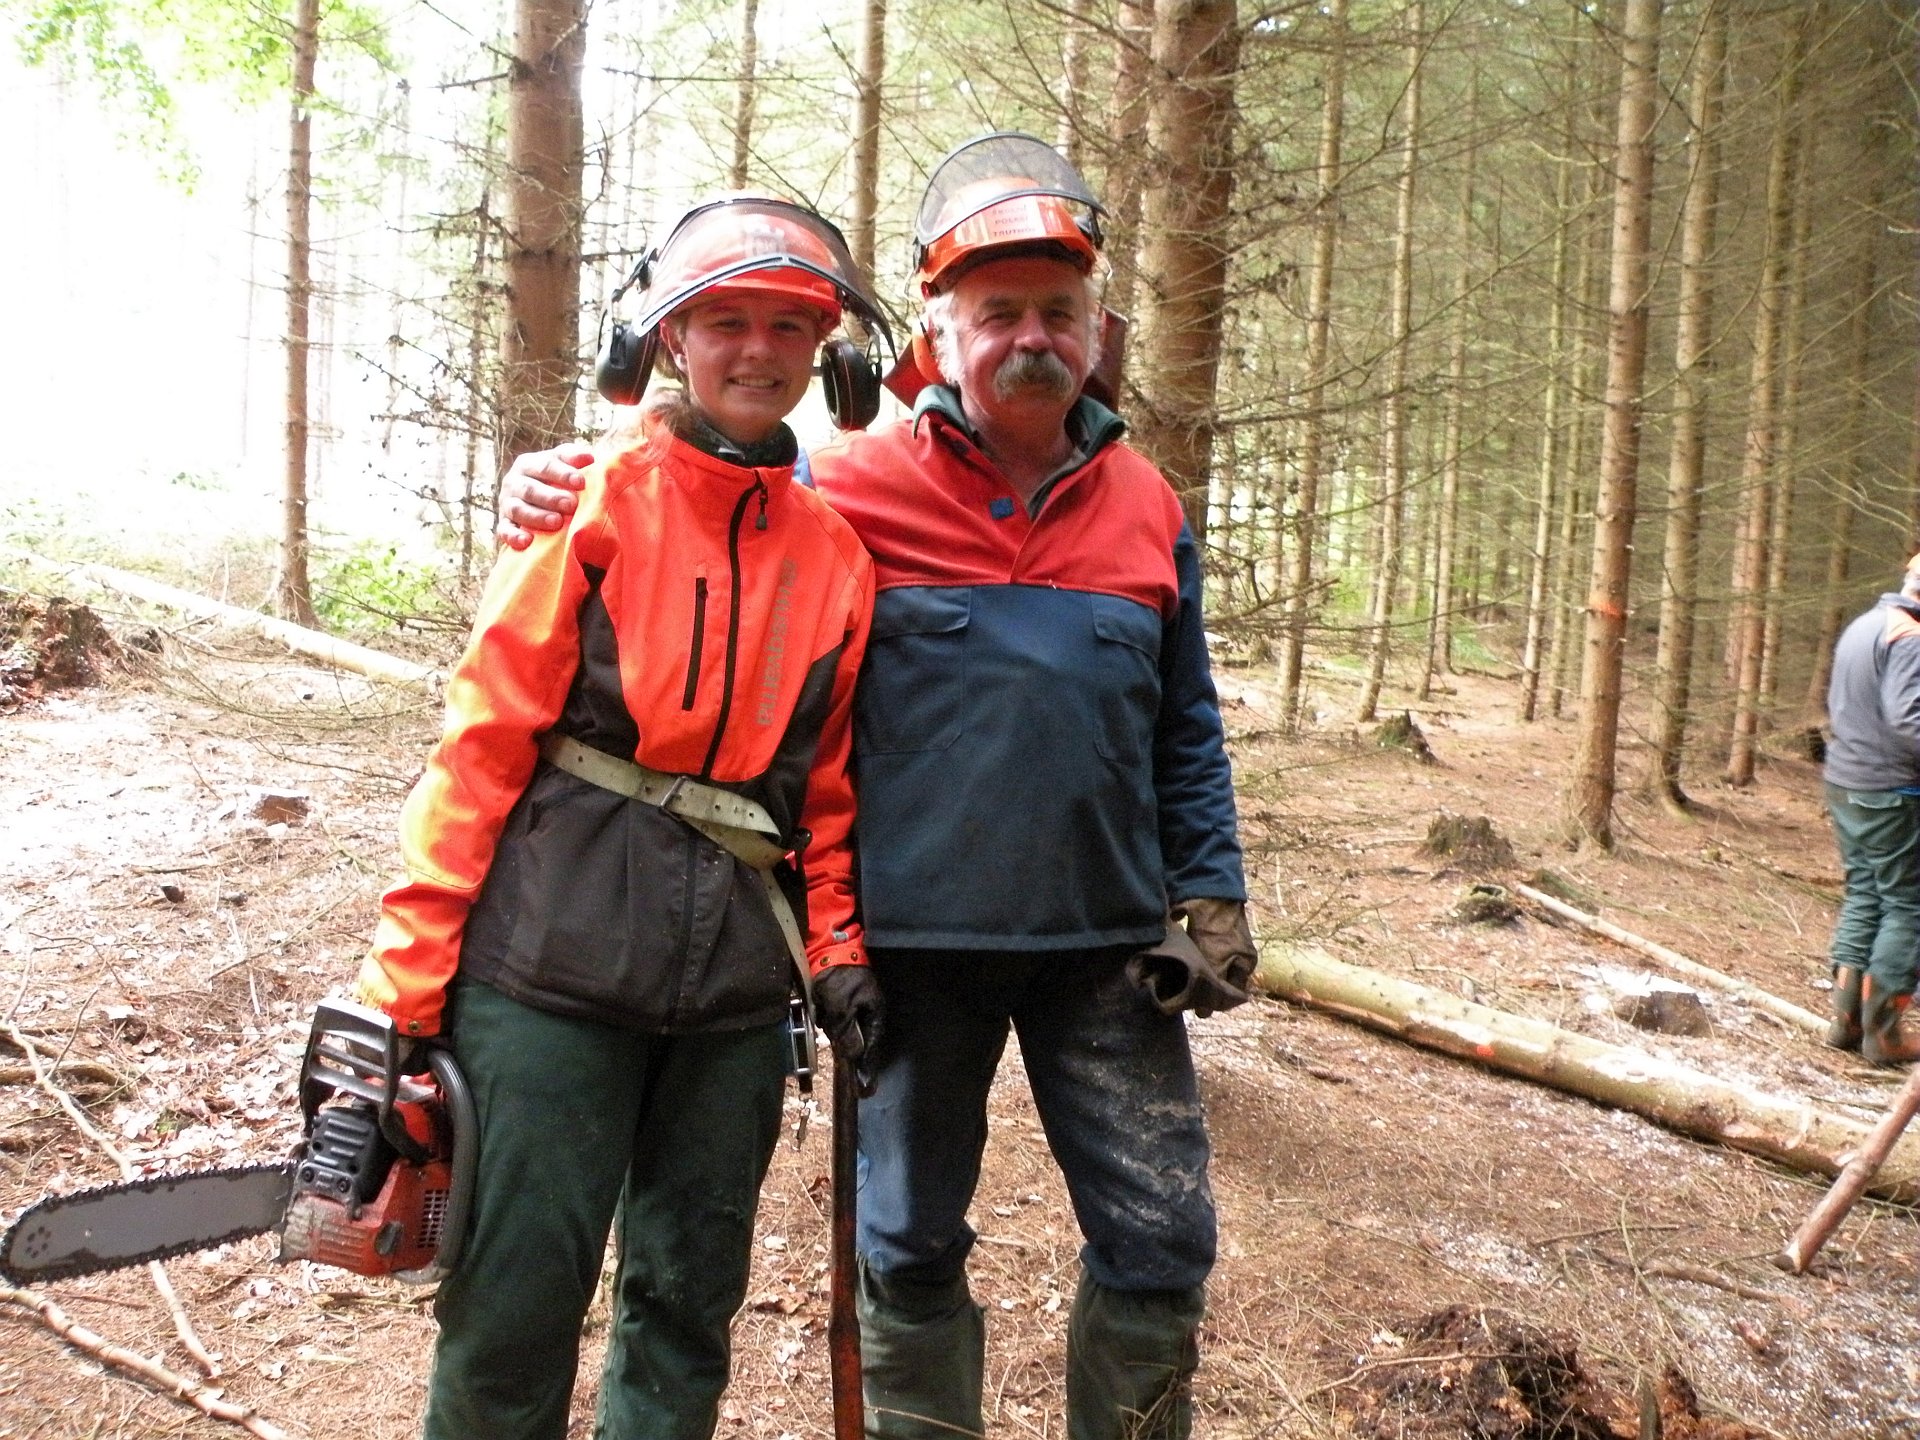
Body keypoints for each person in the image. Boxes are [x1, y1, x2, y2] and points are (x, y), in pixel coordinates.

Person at [500, 133, 1256, 1440]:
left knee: (1161, 1239)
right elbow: (701, 493)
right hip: (910, 949)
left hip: (1109, 943)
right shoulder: (845, 485)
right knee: (905, 1242)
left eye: (1058, 311)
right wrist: (549, 483)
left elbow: (1184, 725)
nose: (1032, 336)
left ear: (1097, 331)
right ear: (939, 335)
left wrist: (1214, 894)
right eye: (999, 312)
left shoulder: (1148, 505)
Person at [354, 194, 888, 1440]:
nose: (756, 350)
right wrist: (406, 983)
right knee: (513, 1303)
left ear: (825, 351)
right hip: (548, 969)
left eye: (788, 326)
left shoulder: (837, 557)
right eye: (726, 322)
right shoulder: (586, 504)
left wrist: (837, 949)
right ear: (669, 338)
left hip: (736, 990)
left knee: (688, 1306)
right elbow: (480, 747)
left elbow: (823, 793)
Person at [1821, 555, 1920, 1066]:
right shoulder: (1910, 638)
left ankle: (1846, 1022)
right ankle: (1883, 1034)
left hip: (1846, 780)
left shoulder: (1867, 624)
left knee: (1865, 894)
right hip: (1890, 789)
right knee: (1909, 905)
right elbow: (1909, 719)